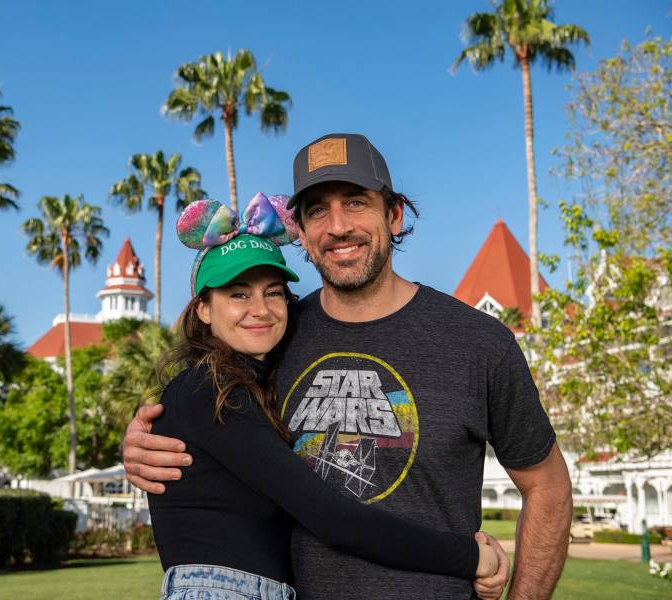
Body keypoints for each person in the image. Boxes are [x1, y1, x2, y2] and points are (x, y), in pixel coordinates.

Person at [125, 134, 572, 600]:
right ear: (298, 229)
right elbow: (205, 408)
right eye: (317, 209)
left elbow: (548, 487)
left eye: (356, 202)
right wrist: (142, 439)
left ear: (394, 214)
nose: (338, 226)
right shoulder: (273, 334)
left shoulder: (478, 343)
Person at [150, 193, 503, 600]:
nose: (261, 309)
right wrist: (471, 558)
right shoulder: (207, 390)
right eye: (238, 294)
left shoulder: (248, 386)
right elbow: (332, 518)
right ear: (204, 310)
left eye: (273, 291)